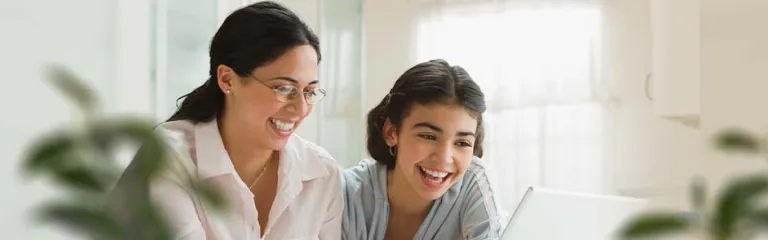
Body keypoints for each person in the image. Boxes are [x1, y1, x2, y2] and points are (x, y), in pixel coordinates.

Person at [108, 2, 342, 239]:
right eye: (284, 88)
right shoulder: (169, 159)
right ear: (227, 79)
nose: (301, 108)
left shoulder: (321, 174)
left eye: (309, 91)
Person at [341, 59, 509, 240]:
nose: (444, 158)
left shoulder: (473, 184)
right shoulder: (346, 194)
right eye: (428, 136)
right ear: (391, 133)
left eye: (462, 143)